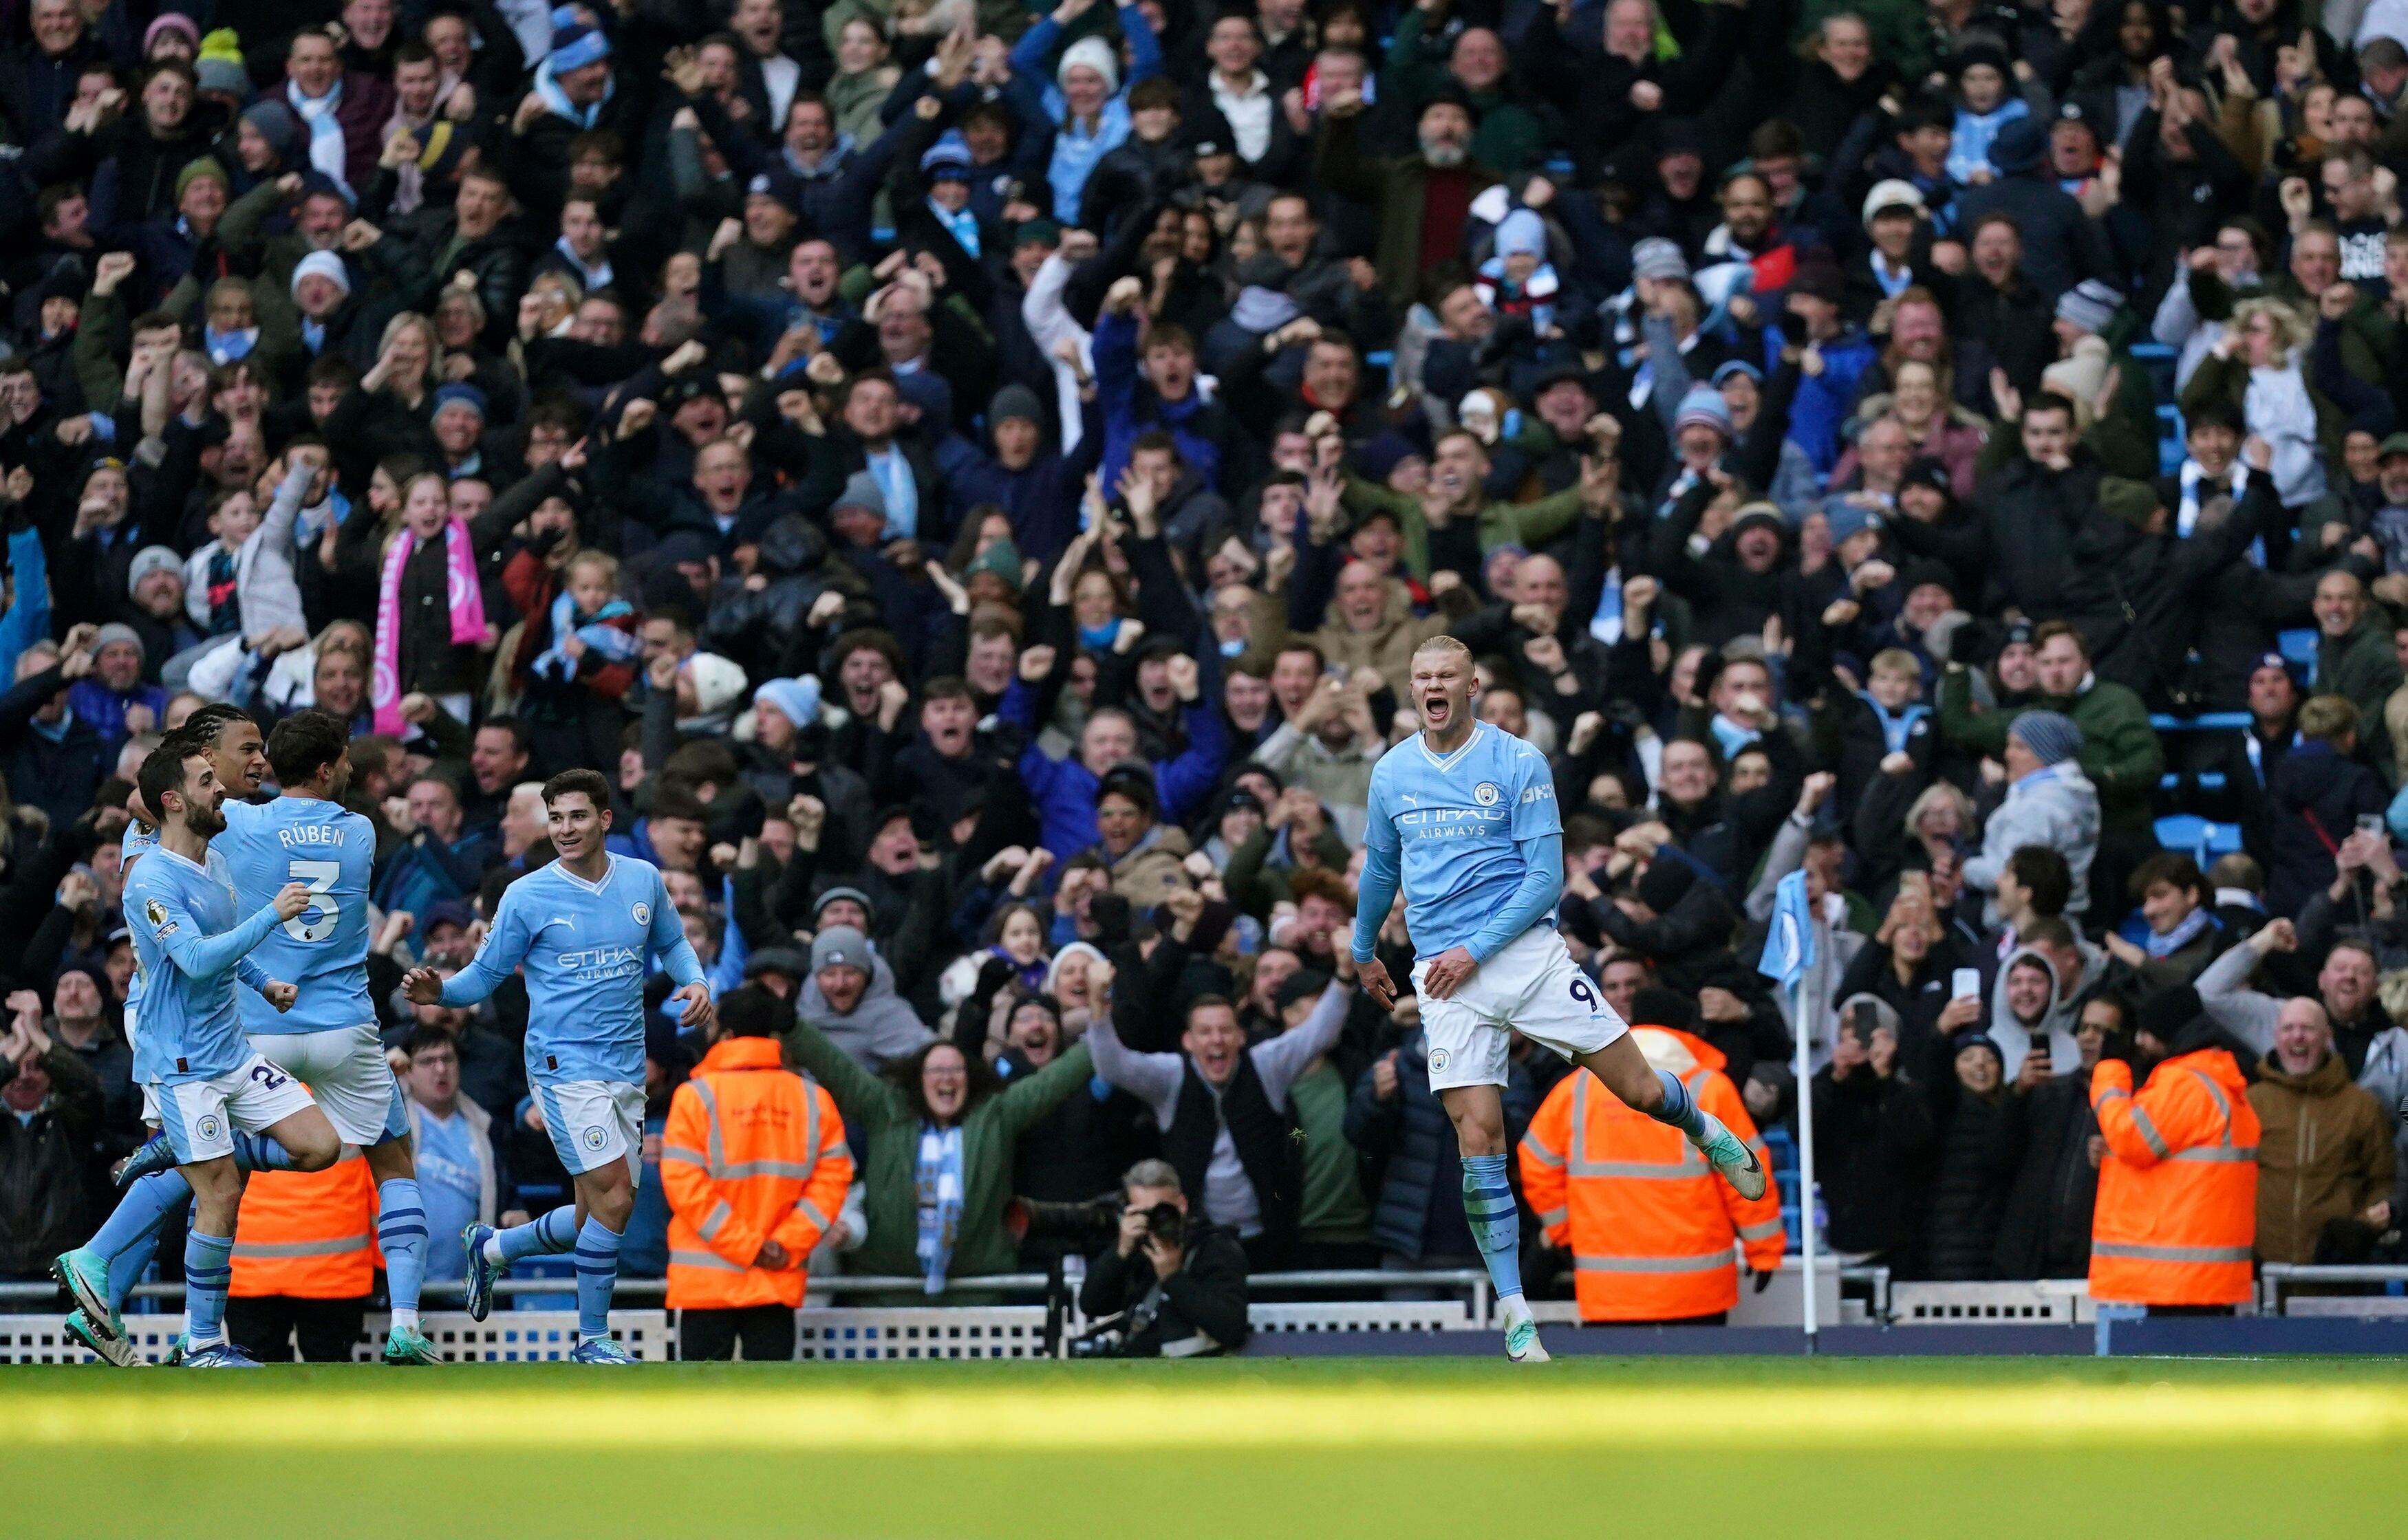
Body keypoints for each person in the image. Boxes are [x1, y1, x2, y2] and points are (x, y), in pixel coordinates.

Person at [1351, 636, 1763, 1362]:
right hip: (1446, 978)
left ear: (1473, 684)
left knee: (1636, 1089)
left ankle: (1702, 1128)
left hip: (1523, 957)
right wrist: (1361, 951)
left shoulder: (1516, 761)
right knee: (1476, 1135)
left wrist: (1472, 949)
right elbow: (1383, 867)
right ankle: (1515, 1312)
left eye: (1445, 674)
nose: (1432, 686)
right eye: (1421, 677)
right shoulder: (1391, 774)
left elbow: (1544, 879)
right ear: (1411, 688)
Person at [403, 768, 716, 1365]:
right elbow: (487, 974)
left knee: (594, 1210)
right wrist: (437, 991)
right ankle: (593, 1338)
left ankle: (494, 1248)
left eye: (576, 816)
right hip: (562, 1065)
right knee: (617, 1199)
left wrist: (696, 981)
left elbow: (673, 944)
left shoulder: (643, 880)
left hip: (624, 1069)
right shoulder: (527, 894)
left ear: (604, 820)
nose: (565, 828)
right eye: (555, 817)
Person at [56, 734, 339, 1369]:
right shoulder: (149, 878)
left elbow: (223, 950)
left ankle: (172, 1160)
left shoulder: (215, 864)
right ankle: (206, 1341)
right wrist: (272, 914)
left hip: (230, 1050)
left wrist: (265, 981)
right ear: (174, 801)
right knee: (219, 1192)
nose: (222, 789)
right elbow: (193, 956)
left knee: (320, 1146)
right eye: (208, 780)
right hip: (181, 1062)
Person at [1518, 1001, 1783, 1323]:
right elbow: (1748, 1171)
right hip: (1697, 1289)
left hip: (1609, 1289)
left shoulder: (1580, 1088)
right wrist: (1764, 1252)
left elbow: (1535, 1160)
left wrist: (1564, 1232)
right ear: (1690, 1031)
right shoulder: (1710, 1090)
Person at [661, 984, 852, 1361]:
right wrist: (784, 1244)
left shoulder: (696, 1097)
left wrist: (746, 1246)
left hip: (707, 1282)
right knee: (772, 1407)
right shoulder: (812, 1098)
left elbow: (685, 1186)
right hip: (776, 1278)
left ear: (726, 1034)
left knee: (703, 1405)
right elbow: (832, 1182)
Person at [2088, 988, 2261, 1314]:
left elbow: (2130, 1139)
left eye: (2147, 1033)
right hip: (2200, 1273)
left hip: (2179, 1275)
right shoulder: (2215, 1081)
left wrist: (2109, 1073)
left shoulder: (2184, 1084)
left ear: (2167, 1033)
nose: (2140, 1042)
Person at [2245, 997, 2395, 1266]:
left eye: (2308, 1029)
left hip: (2334, 1273)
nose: (2298, 1037)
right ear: (2276, 1036)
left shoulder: (2361, 1107)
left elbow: (2384, 1180)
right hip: (2260, 1272)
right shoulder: (2250, 1103)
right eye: (2288, 1029)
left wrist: (2359, 1229)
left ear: (2327, 1036)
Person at [1075, 1158, 1251, 1356]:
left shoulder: (1214, 1248)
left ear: (1182, 1205)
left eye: (1163, 1211)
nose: (1155, 1221)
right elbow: (1092, 1305)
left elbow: (1232, 1330)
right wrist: (1121, 1251)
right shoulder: (1135, 1248)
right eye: (1144, 1213)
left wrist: (1173, 1278)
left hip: (1194, 1378)